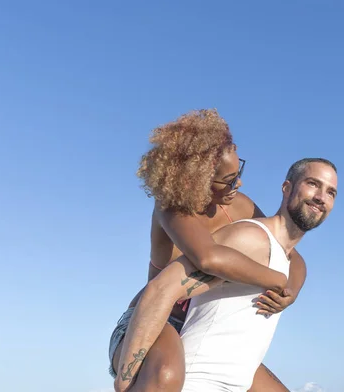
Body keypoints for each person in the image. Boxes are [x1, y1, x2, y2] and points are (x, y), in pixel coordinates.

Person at [109, 109, 307, 392]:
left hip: (201, 328)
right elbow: (208, 257)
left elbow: (289, 252)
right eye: (228, 180)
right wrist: (276, 279)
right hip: (154, 323)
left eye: (239, 171)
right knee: (166, 375)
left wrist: (290, 293)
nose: (238, 184)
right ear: (194, 179)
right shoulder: (171, 209)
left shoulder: (240, 205)